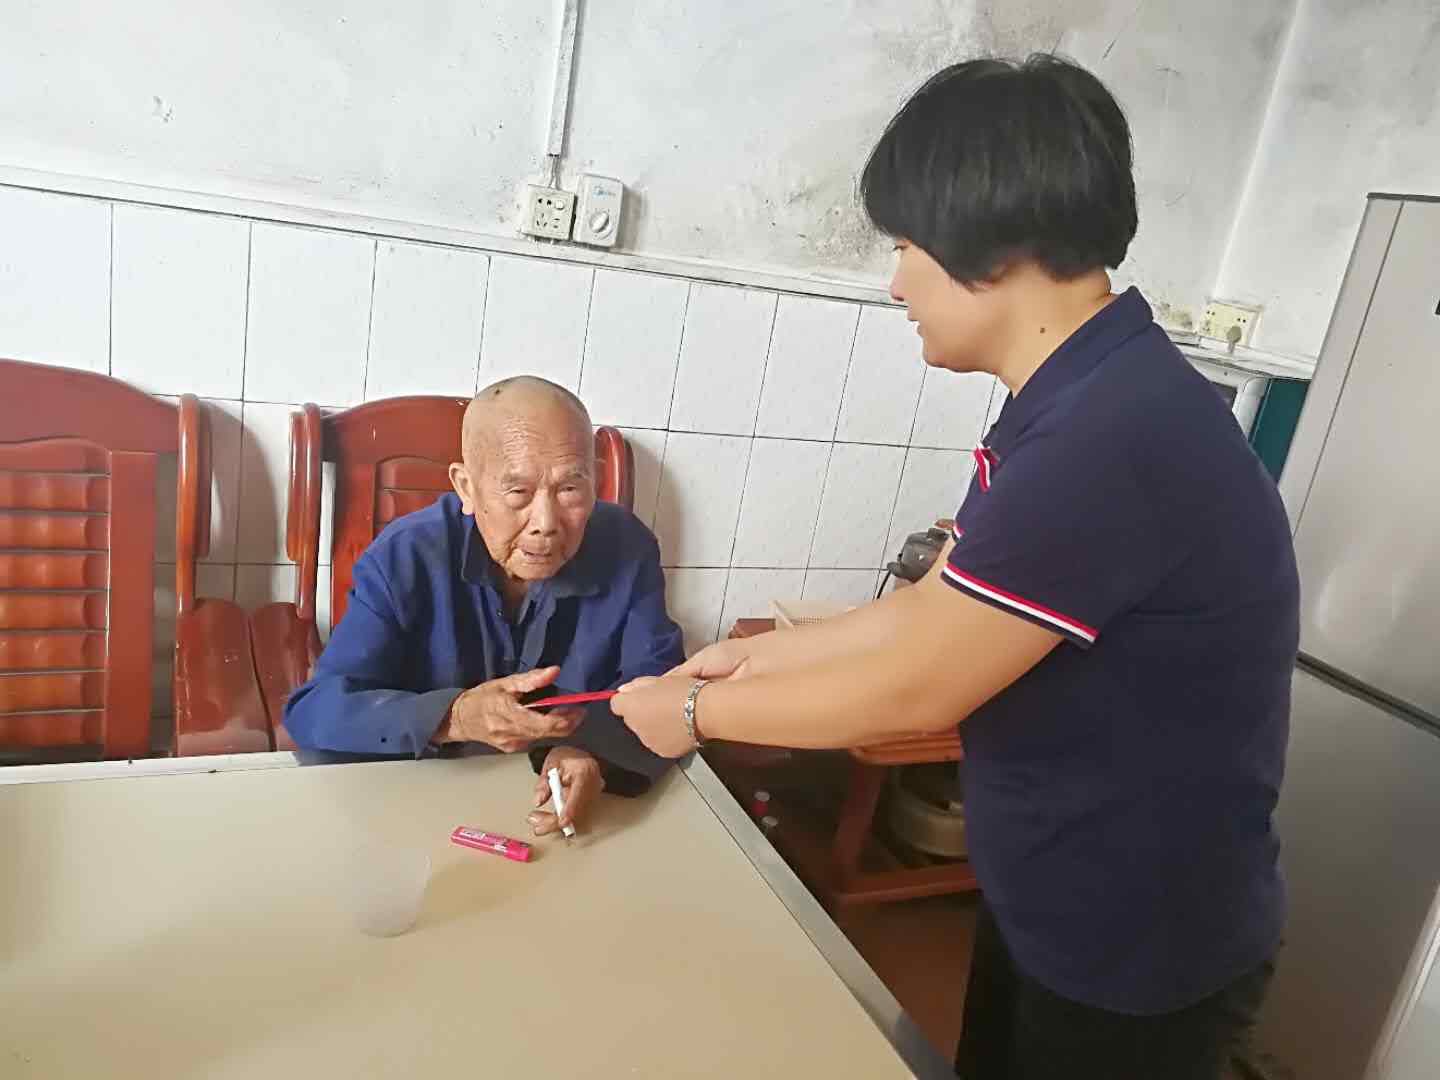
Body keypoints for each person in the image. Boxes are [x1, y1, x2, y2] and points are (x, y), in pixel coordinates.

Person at [613, 55, 1297, 1080]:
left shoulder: (1112, 439)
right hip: (1062, 895)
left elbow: (914, 689)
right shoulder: (1083, 396)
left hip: (1137, 941)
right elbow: (930, 611)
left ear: (993, 243)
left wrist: (696, 715)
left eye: (905, 246)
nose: (897, 283)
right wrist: (743, 664)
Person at [285, 376, 684, 836]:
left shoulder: (627, 547)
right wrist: (453, 718)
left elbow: (661, 685)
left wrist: (591, 751)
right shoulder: (406, 557)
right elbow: (317, 710)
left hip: (571, 813)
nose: (546, 523)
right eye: (518, 493)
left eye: (570, 490)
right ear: (467, 488)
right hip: (423, 810)